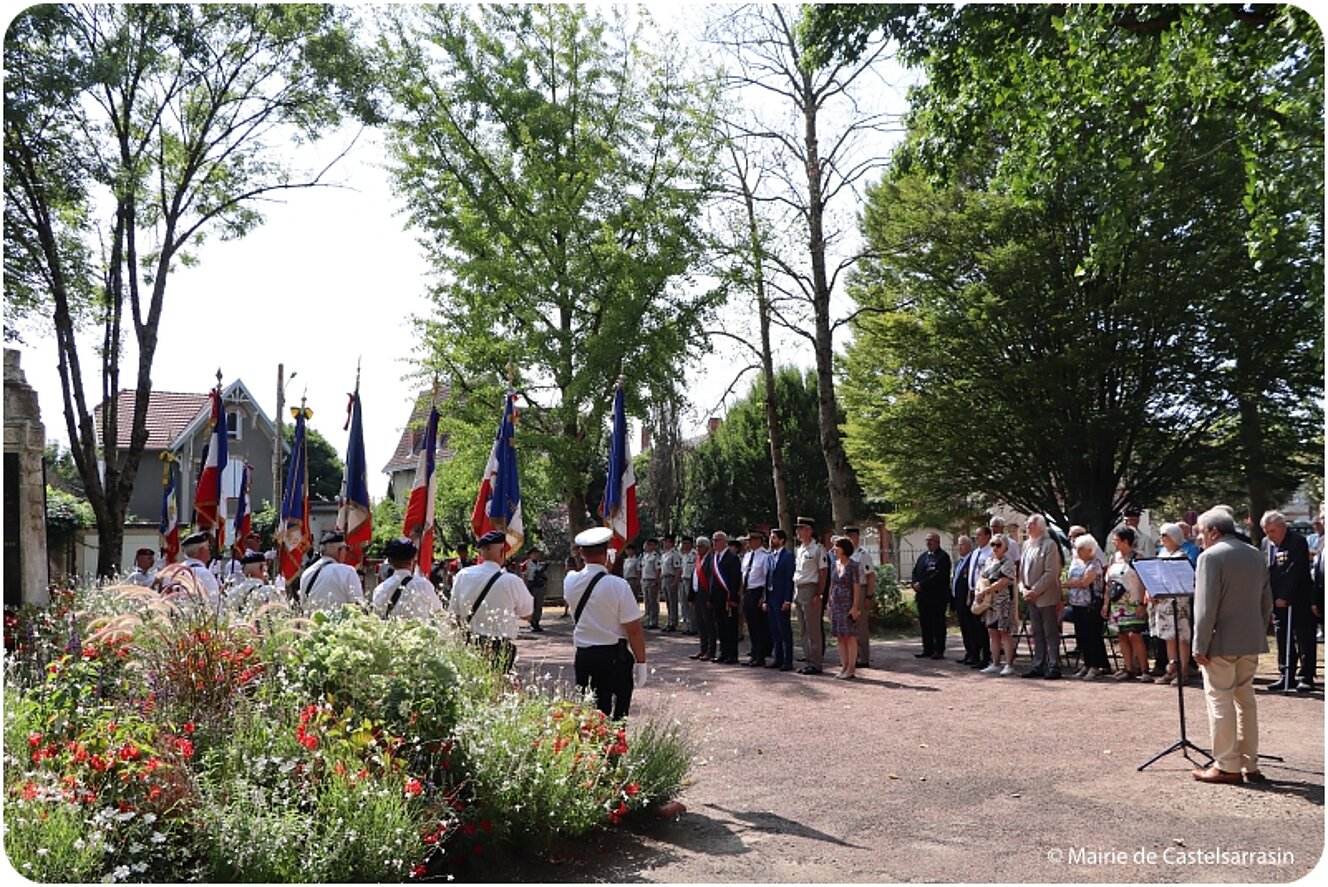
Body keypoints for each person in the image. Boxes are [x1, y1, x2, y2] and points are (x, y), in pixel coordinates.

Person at [1191, 507, 1274, 784]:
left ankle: (1226, 764)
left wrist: (1199, 645)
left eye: (1201, 533)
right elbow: (1266, 602)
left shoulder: (1210, 557)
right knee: (1245, 701)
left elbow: (1205, 607)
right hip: (1250, 640)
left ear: (1214, 532)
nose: (1200, 539)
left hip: (1221, 641)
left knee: (1220, 701)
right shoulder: (1255, 554)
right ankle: (1250, 764)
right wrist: (1258, 632)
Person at [564, 526, 647, 719]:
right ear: (607, 552)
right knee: (618, 714)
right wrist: (641, 663)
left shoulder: (570, 581)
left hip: (584, 655)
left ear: (581, 553)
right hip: (613, 656)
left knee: (590, 714)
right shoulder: (618, 585)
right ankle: (616, 747)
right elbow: (634, 630)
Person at [448, 530, 533, 671]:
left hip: (470, 642)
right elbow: (527, 614)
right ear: (502, 553)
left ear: (480, 552)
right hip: (499, 646)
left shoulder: (463, 575)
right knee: (498, 688)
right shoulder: (511, 580)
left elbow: (454, 613)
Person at [1260, 510, 1317, 692]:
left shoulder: (1297, 542)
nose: (1269, 535)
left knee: (1304, 637)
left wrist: (1285, 596)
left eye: (1272, 531)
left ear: (1283, 528)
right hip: (1275, 600)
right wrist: (1270, 597)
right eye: (1266, 531)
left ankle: (1306, 675)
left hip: (1298, 598)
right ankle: (1286, 674)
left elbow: (1295, 572)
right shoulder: (1265, 544)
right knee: (1282, 636)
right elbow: (1266, 571)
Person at [1020, 515, 1065, 679]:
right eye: (1027, 524)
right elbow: (1021, 573)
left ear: (1040, 526)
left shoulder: (1049, 545)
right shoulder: (1026, 545)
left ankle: (1054, 665)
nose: (1027, 526)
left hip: (1046, 596)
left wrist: (1035, 590)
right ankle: (1038, 664)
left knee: (1050, 632)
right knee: (1036, 632)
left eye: (1030, 524)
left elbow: (1051, 572)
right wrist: (1023, 589)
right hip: (1030, 597)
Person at [1063, 534, 1110, 680]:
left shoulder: (1094, 564)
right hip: (1077, 604)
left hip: (1090, 605)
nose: (1078, 551)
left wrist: (1068, 583)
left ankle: (1095, 665)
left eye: (1081, 549)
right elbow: (1072, 580)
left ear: (1089, 550)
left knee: (1092, 636)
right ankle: (1086, 664)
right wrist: (1072, 582)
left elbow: (1084, 582)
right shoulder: (1078, 563)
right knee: (1082, 635)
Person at [1154, 523, 1196, 685]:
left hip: (1179, 600)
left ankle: (1183, 670)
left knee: (1181, 636)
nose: (1162, 539)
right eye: (1161, 535)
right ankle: (1171, 668)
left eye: (1165, 535)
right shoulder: (1161, 553)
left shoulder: (1182, 555)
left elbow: (1186, 577)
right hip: (1163, 600)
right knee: (1168, 635)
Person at [1105, 527, 1149, 681]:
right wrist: (1106, 604)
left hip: (1134, 602)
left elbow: (1144, 582)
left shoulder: (1138, 558)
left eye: (1116, 539)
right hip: (1118, 604)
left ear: (1125, 541)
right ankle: (1128, 668)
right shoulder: (1113, 558)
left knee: (1134, 635)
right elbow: (1109, 583)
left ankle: (1144, 669)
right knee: (1121, 634)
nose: (1113, 542)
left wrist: (1143, 603)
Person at [975, 534, 1018, 675]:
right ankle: (995, 663)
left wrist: (987, 590)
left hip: (1004, 602)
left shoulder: (1008, 562)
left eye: (998, 545)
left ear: (1005, 547)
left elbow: (1004, 581)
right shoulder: (989, 561)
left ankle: (1009, 664)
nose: (995, 548)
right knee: (992, 632)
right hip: (990, 603)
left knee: (1004, 632)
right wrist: (979, 592)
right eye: (993, 544)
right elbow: (982, 577)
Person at [373, 537, 445, 621]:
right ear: (413, 560)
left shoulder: (380, 589)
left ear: (390, 561)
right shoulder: (423, 585)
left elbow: (377, 619)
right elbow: (438, 611)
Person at [298, 530, 364, 615]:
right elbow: (358, 606)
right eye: (346, 549)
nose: (346, 553)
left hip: (312, 626)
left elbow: (303, 605)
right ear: (339, 550)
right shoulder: (348, 572)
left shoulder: (306, 573)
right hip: (340, 627)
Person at [793, 517, 828, 675]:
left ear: (809, 531)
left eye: (802, 528)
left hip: (811, 588)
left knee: (813, 628)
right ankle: (808, 659)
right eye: (798, 529)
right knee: (803, 628)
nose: (798, 532)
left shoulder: (818, 549)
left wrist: (819, 594)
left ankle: (816, 662)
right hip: (799, 588)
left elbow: (823, 572)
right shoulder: (800, 549)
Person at [827, 536, 865, 680]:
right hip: (836, 604)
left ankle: (851, 668)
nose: (834, 549)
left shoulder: (853, 566)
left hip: (847, 605)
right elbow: (832, 584)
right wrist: (829, 603)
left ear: (844, 548)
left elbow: (856, 587)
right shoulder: (834, 564)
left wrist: (855, 606)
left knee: (850, 636)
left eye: (837, 546)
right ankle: (844, 665)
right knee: (840, 637)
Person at [910, 532, 951, 660]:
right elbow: (915, 571)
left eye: (931, 540)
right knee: (925, 623)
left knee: (937, 623)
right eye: (927, 540)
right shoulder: (923, 557)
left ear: (937, 542)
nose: (928, 542)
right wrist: (914, 583)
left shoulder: (943, 557)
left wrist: (922, 584)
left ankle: (939, 649)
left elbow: (939, 576)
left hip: (937, 597)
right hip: (923, 597)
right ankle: (927, 648)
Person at [763, 528, 796, 671]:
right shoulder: (770, 556)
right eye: (771, 537)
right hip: (771, 596)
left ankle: (788, 660)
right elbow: (767, 578)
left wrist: (787, 599)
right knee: (774, 629)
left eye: (774, 538)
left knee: (784, 630)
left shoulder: (788, 556)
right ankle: (778, 658)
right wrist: (765, 599)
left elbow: (789, 579)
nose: (771, 540)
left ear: (782, 540)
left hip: (781, 597)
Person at [844, 526, 876, 668]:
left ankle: (864, 656)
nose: (850, 538)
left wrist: (868, 596)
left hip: (861, 589)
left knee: (860, 625)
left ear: (857, 537)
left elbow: (871, 576)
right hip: (847, 591)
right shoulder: (845, 555)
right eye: (847, 536)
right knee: (849, 624)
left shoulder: (863, 554)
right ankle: (852, 655)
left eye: (852, 535)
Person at [709, 531, 742, 664]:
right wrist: (711, 598)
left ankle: (732, 654)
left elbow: (735, 580)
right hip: (717, 598)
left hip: (728, 598)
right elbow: (713, 580)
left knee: (730, 627)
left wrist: (733, 598)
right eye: (713, 540)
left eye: (716, 540)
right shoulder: (715, 558)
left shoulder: (732, 557)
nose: (714, 543)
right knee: (721, 627)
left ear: (724, 541)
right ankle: (723, 652)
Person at [740, 529, 772, 666]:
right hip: (748, 591)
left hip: (758, 591)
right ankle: (754, 652)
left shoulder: (765, 556)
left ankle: (760, 655)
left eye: (751, 540)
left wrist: (763, 597)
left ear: (758, 541)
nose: (749, 543)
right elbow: (743, 574)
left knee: (759, 625)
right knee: (751, 625)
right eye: (748, 540)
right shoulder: (747, 556)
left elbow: (767, 579)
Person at [964, 526, 994, 669]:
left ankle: (986, 657)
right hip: (972, 591)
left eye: (979, 535)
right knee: (973, 626)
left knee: (983, 627)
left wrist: (983, 592)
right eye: (975, 535)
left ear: (988, 536)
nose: (976, 538)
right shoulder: (975, 552)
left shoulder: (990, 552)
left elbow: (988, 574)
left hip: (984, 592)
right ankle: (975, 655)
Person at [949, 535, 977, 665]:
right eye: (958, 545)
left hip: (968, 600)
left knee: (971, 628)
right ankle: (968, 652)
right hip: (958, 600)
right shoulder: (959, 562)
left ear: (969, 546)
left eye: (962, 544)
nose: (959, 547)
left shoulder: (972, 560)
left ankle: (974, 653)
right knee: (964, 628)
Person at [180, 530, 222, 611]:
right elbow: (214, 604)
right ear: (202, 550)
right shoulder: (204, 573)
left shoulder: (175, 571)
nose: (210, 551)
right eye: (209, 547)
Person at [689, 536, 716, 660]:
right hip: (697, 594)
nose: (697, 548)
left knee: (708, 624)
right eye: (697, 546)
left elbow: (711, 580)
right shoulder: (698, 559)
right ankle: (703, 648)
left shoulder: (711, 560)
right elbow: (693, 578)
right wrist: (691, 596)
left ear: (706, 547)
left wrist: (711, 598)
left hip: (706, 595)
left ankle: (711, 651)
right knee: (700, 623)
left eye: (699, 546)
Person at [522, 548, 548, 632]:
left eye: (537, 553)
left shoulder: (540, 564)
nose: (535, 555)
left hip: (540, 585)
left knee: (539, 605)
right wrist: (525, 588)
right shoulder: (526, 564)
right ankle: (532, 623)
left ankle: (537, 622)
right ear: (530, 555)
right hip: (531, 585)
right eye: (534, 554)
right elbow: (524, 576)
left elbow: (545, 576)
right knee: (532, 605)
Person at [660, 535, 682, 632]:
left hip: (671, 577)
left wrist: (675, 582)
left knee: (673, 602)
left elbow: (678, 569)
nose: (664, 544)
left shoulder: (674, 554)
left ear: (671, 543)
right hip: (664, 578)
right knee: (668, 602)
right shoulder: (664, 555)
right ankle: (669, 621)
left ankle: (673, 622)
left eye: (666, 542)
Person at [640, 538, 661, 629]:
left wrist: (656, 581)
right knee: (647, 601)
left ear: (653, 546)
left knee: (653, 602)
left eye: (648, 545)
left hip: (652, 580)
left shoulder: (655, 556)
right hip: (645, 580)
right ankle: (648, 620)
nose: (646, 547)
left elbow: (658, 569)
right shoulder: (644, 556)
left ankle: (654, 621)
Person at [677, 536, 696, 634]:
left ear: (691, 544)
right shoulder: (684, 555)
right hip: (684, 580)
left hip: (691, 580)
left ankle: (693, 627)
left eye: (686, 543)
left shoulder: (694, 555)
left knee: (691, 604)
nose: (684, 545)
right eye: (683, 543)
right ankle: (688, 626)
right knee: (684, 603)